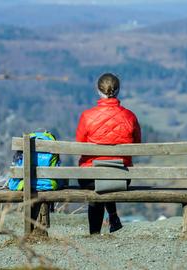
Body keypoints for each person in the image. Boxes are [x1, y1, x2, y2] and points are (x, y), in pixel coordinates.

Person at [76, 73, 141, 234]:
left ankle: (95, 232)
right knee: (108, 176)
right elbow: (137, 144)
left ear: (98, 91)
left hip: (90, 177)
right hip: (121, 176)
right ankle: (113, 216)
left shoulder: (87, 116)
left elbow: (79, 145)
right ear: (118, 90)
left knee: (99, 179)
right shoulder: (130, 116)